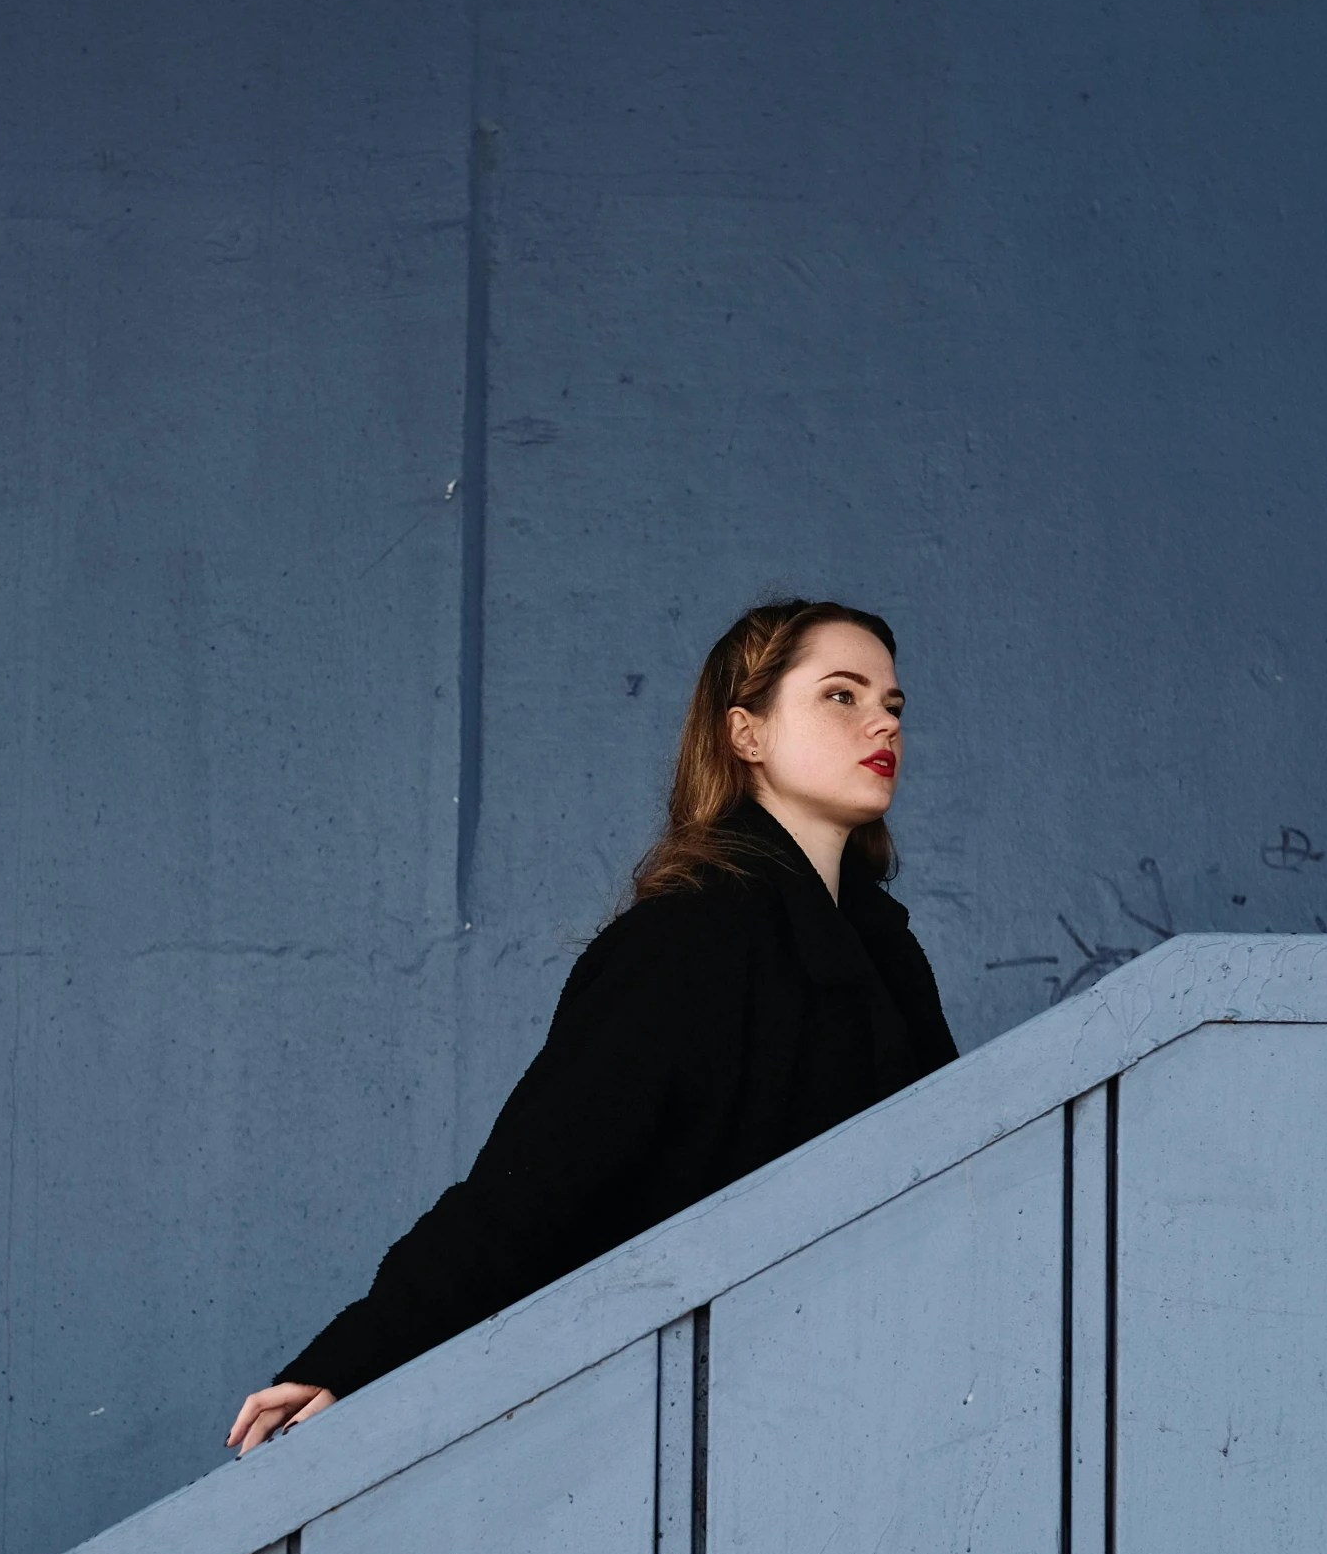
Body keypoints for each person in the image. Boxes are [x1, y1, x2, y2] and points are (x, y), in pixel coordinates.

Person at [227, 598, 956, 1454]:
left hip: (868, 1400)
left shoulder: (887, 957)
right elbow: (539, 1181)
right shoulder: (694, 935)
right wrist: (357, 1354)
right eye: (842, 694)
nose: (882, 721)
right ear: (745, 733)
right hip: (704, 1417)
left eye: (893, 704)